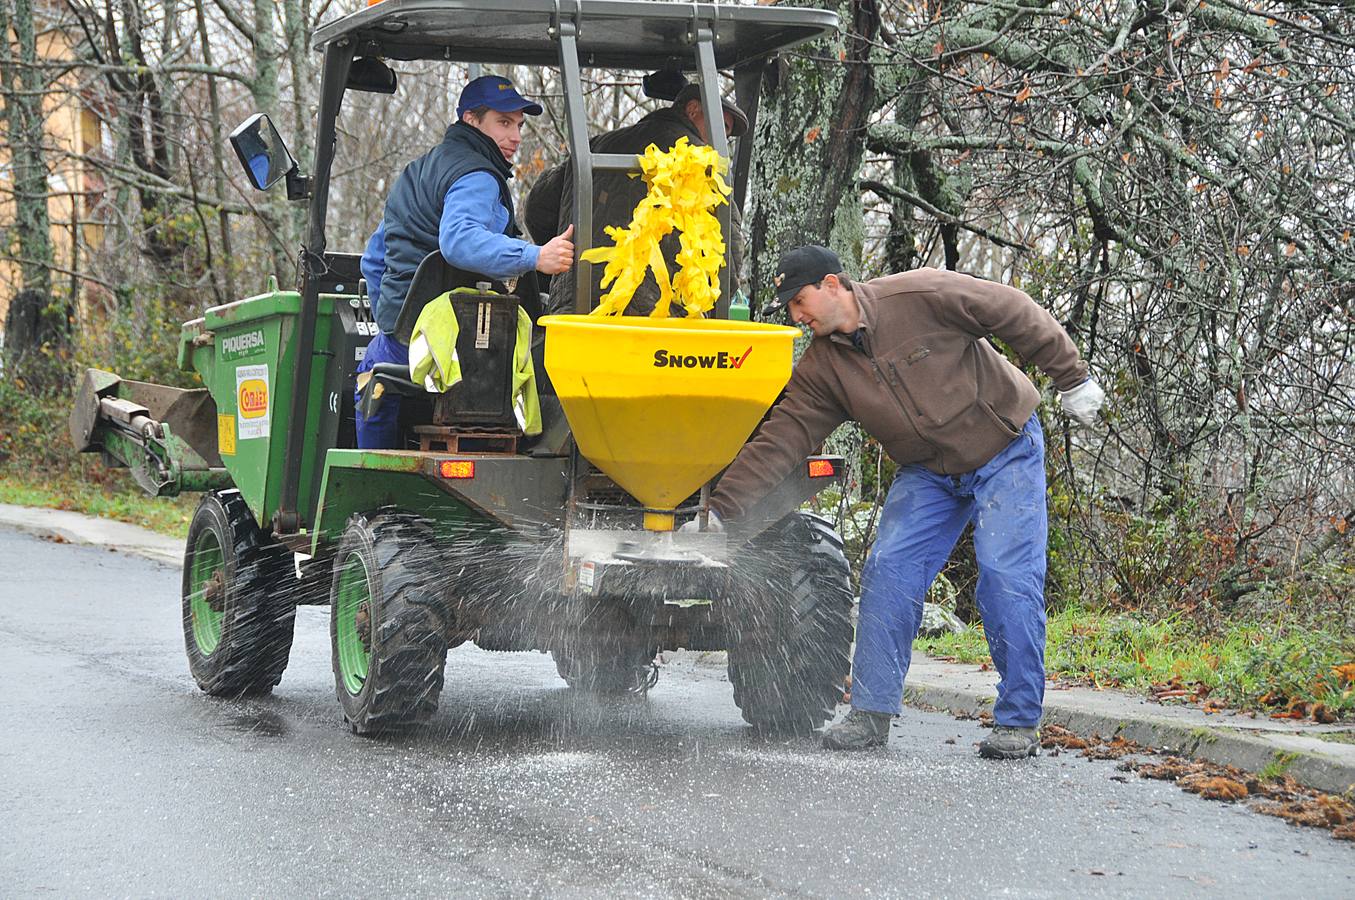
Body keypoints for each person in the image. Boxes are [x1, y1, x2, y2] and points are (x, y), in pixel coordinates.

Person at [695, 245, 1106, 759]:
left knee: (1005, 575)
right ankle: (870, 715)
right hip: (930, 472)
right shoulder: (824, 368)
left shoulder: (920, 295)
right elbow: (784, 437)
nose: (797, 318)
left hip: (1005, 448)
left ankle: (1019, 721)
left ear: (831, 284)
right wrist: (721, 511)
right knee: (888, 572)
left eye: (799, 302)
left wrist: (1072, 376)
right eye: (790, 311)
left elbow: (1011, 308)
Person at [355, 74, 576, 449]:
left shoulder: (418, 171)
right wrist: (536, 256)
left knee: (372, 371)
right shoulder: (477, 176)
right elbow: (459, 242)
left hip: (421, 334)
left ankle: (371, 477)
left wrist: (397, 325)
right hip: (471, 341)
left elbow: (374, 261)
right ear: (471, 120)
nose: (516, 137)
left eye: (519, 125)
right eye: (503, 123)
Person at [524, 82, 747, 317]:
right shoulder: (700, 160)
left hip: (575, 312)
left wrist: (566, 265)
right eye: (721, 127)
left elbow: (537, 207)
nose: (721, 141)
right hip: (654, 322)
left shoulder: (596, 147)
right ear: (692, 109)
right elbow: (728, 253)